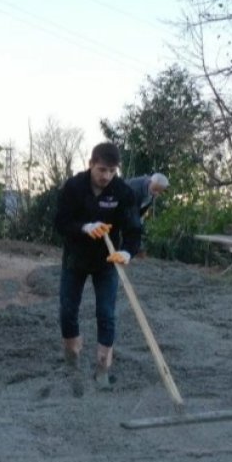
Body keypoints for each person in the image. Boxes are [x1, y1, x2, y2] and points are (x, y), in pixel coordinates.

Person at [53, 142, 143, 392]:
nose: (106, 176)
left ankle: (103, 369)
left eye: (112, 171)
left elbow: (134, 230)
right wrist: (85, 227)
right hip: (76, 258)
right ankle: (72, 362)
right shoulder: (74, 187)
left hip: (107, 261)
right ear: (91, 164)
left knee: (106, 313)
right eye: (102, 169)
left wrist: (127, 251)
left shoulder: (123, 192)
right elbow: (60, 222)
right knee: (68, 310)